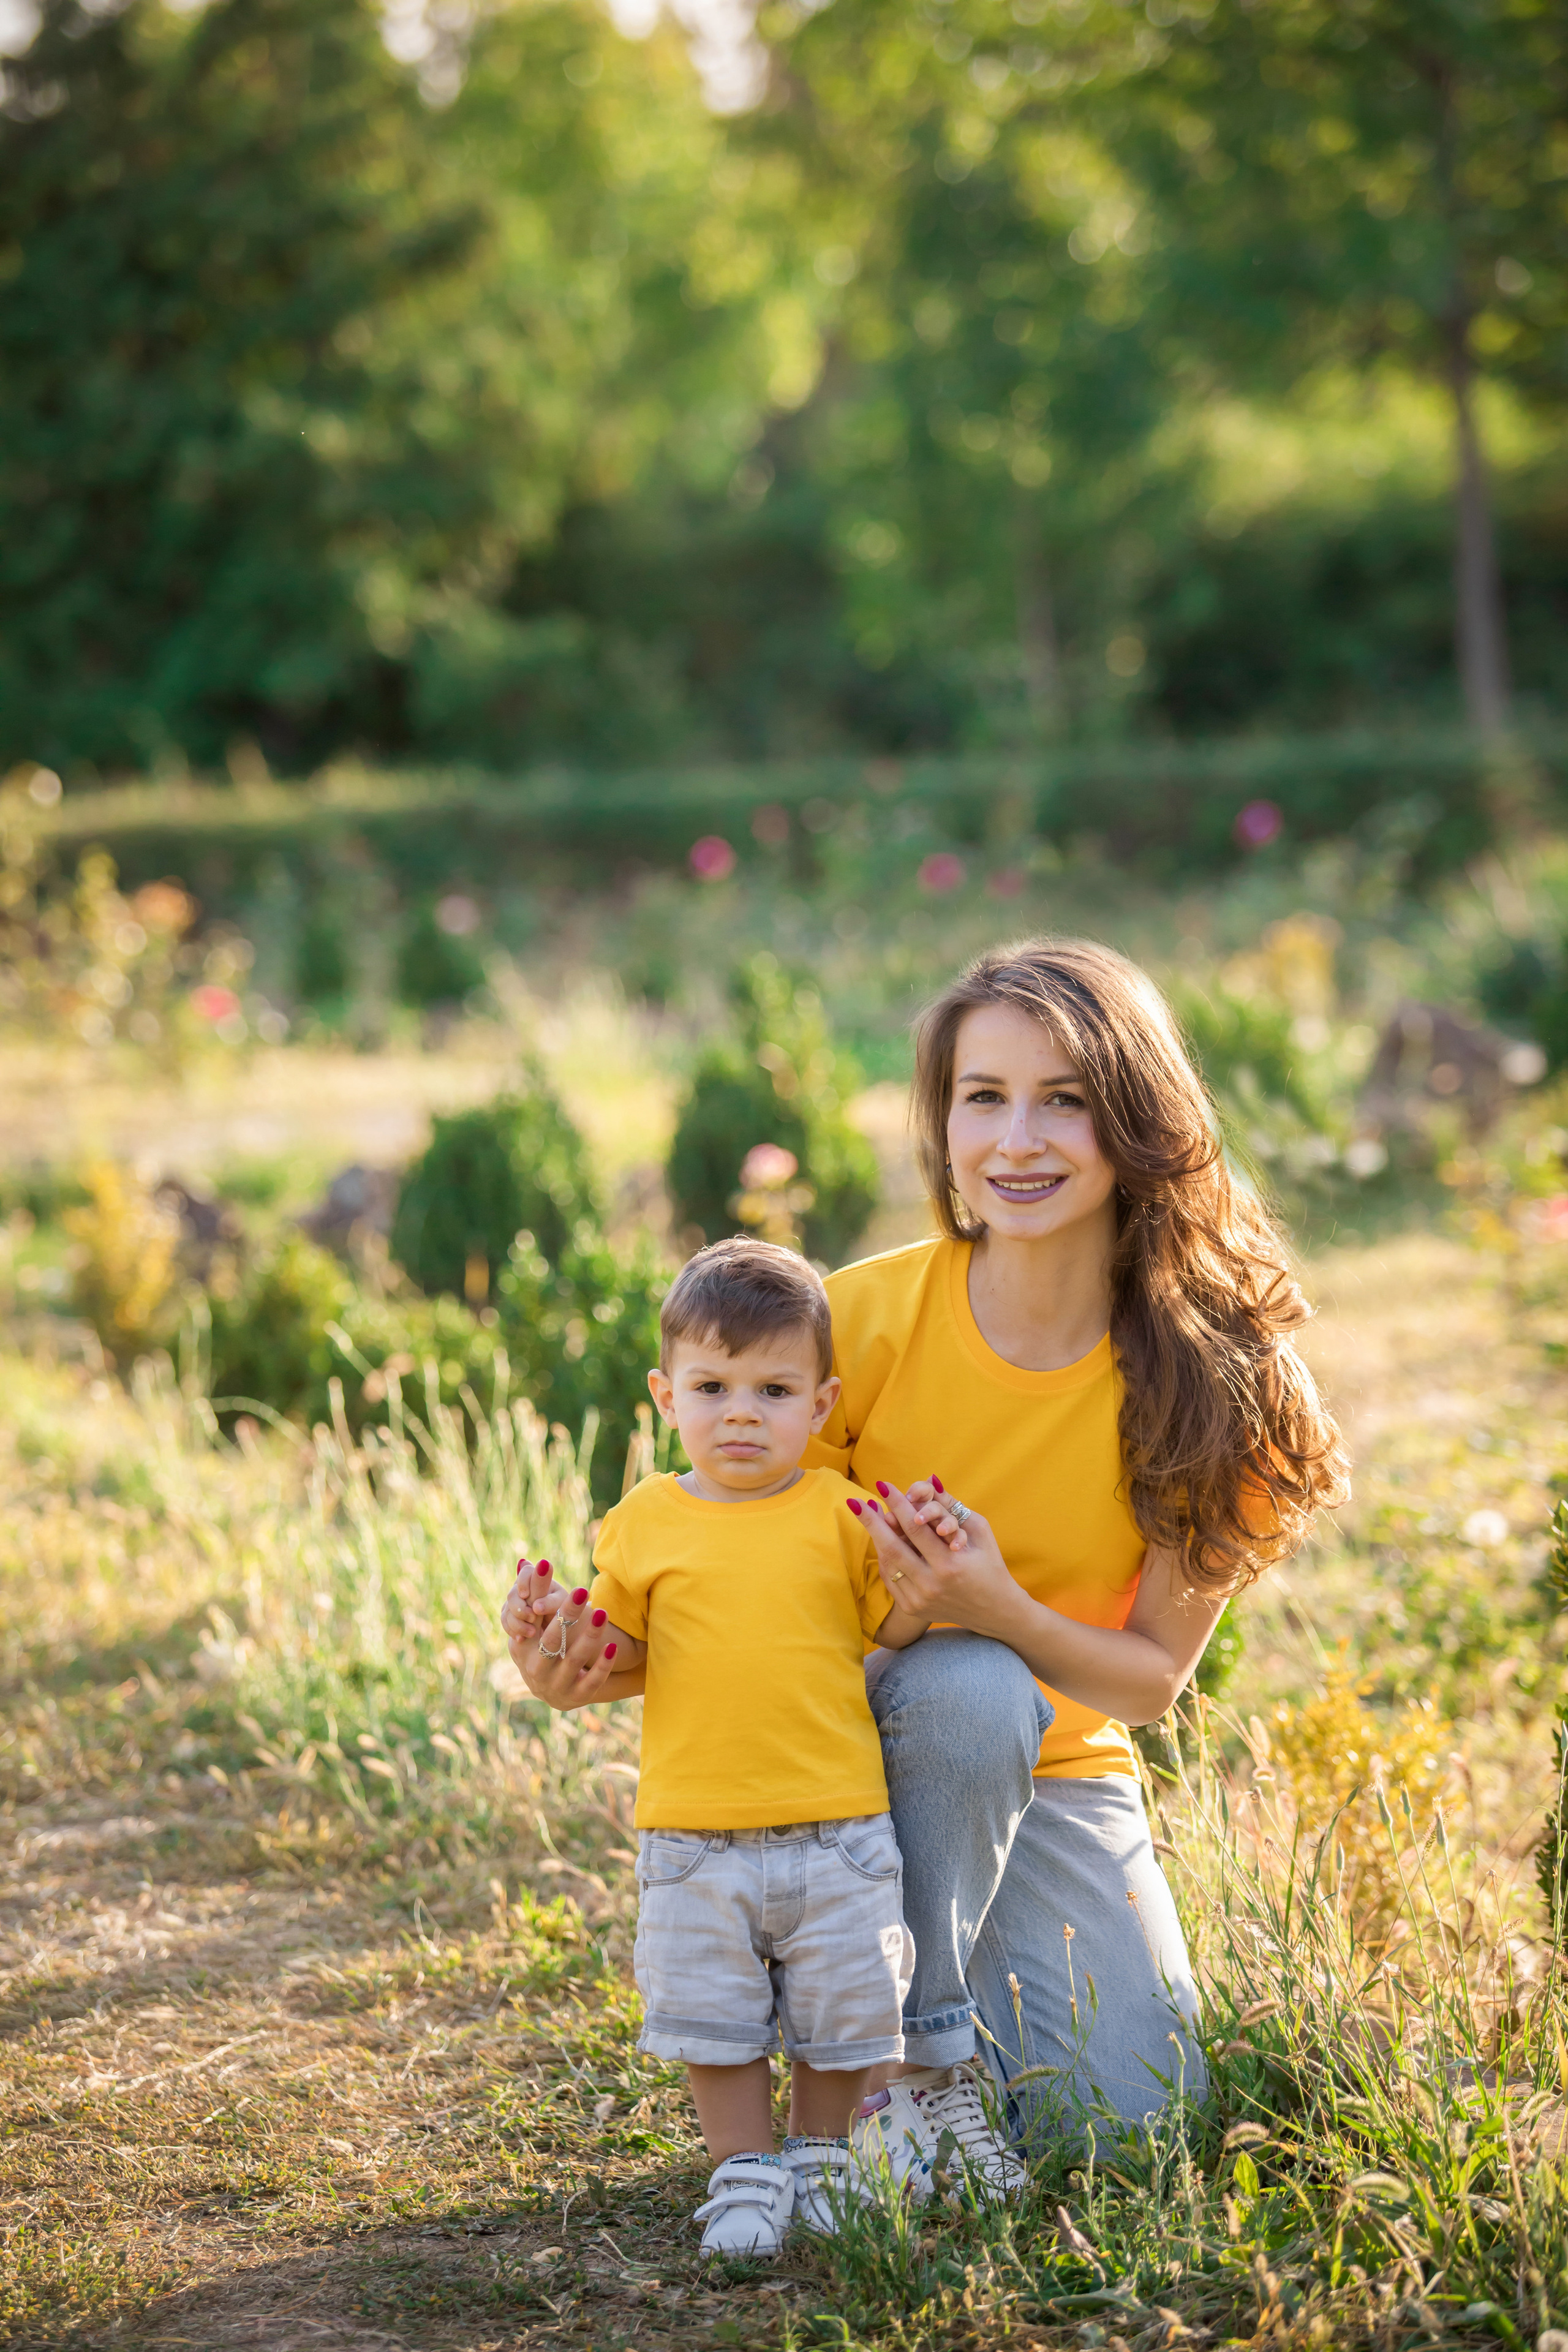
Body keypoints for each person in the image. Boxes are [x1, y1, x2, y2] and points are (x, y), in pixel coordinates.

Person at [807, 937, 1350, 2176]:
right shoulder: (854, 1322)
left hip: (1057, 1771)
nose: (1018, 1141)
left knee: (1129, 2132)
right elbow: (729, 1567)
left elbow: (1150, 1678)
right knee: (963, 1685)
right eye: (982, 1098)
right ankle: (905, 2072)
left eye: (1065, 1101)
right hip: (840, 1773)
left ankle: (913, 2044)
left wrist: (992, 1602)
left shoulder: (1225, 1380)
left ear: (1136, 1121)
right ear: (941, 1124)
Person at [500, 1238, 943, 2259]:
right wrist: (546, 1632)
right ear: (666, 1395)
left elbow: (892, 1628)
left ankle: (822, 2155)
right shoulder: (646, 1521)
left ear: (822, 1404)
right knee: (715, 2016)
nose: (741, 1411)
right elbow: (606, 1650)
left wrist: (919, 1581)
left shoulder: (841, 1515)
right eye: (713, 1385)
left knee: (845, 2006)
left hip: (840, 1827)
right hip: (696, 1833)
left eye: (774, 1388)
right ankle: (744, 2171)